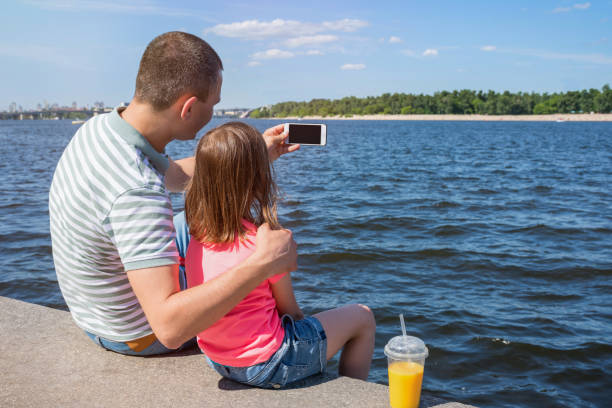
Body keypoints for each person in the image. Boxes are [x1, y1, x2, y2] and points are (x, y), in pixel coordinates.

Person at [49, 31, 298, 355]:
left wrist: (253, 155)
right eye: (214, 105)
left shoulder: (101, 129)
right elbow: (169, 327)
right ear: (189, 108)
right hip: (135, 333)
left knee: (214, 218)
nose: (215, 114)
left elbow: (171, 175)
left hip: (93, 311)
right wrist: (263, 264)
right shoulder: (137, 192)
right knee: (252, 250)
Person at [184, 121, 375, 388]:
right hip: (268, 364)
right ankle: (353, 395)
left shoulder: (195, 237)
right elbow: (292, 312)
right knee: (362, 317)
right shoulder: (265, 244)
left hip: (217, 359)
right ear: (259, 178)